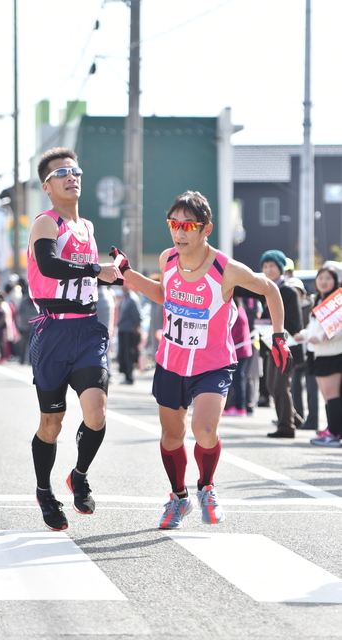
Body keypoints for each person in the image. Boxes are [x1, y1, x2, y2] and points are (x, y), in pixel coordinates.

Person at [109, 190, 291, 529]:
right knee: (171, 436)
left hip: (213, 364)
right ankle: (178, 497)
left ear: (205, 229)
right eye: (173, 224)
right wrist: (128, 275)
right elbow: (163, 294)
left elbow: (270, 288)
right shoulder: (167, 260)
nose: (179, 232)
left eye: (187, 226)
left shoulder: (226, 269)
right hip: (171, 362)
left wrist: (279, 335)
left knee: (204, 430)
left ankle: (206, 486)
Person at [27, 146, 120, 531]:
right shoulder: (45, 223)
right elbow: (49, 264)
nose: (72, 177)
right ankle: (44, 491)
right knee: (53, 422)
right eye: (62, 173)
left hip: (87, 330)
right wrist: (97, 269)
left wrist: (109, 274)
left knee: (96, 413)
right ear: (47, 186)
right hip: (52, 331)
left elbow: (92, 278)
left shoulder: (88, 228)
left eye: (76, 170)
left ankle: (79, 475)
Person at [294, 266, 342, 447]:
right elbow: (315, 329)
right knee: (328, 396)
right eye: (320, 278)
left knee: (333, 396)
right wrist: (303, 335)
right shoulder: (318, 300)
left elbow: (337, 328)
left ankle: (334, 433)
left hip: (333, 354)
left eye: (328, 278)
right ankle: (331, 428)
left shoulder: (337, 301)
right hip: (319, 353)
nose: (323, 281)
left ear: (335, 282)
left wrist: (320, 338)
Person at [258, 250, 304, 438]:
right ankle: (294, 418)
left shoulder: (288, 291)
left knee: (280, 386)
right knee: (270, 385)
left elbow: (295, 323)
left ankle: (286, 426)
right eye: (265, 266)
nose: (268, 270)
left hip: (286, 347)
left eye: (272, 266)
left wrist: (271, 326)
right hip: (270, 346)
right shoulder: (265, 289)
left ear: (281, 268)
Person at [286, 276, 318, 431]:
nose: (293, 295)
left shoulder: (311, 306)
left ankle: (313, 420)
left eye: (296, 291)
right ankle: (296, 417)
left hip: (310, 353)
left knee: (312, 389)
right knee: (295, 388)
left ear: (302, 293)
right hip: (295, 354)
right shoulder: (287, 308)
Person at [222, 297, 252, 416]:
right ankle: (238, 406)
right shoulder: (240, 310)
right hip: (241, 351)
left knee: (238, 380)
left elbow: (237, 334)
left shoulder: (237, 314)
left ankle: (240, 407)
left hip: (239, 351)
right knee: (238, 379)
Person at [117, 285, 142, 384]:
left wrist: (136, 327)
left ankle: (129, 376)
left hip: (129, 330)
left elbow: (137, 315)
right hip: (123, 329)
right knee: (123, 353)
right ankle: (126, 375)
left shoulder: (132, 298)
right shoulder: (125, 298)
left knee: (128, 354)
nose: (123, 287)